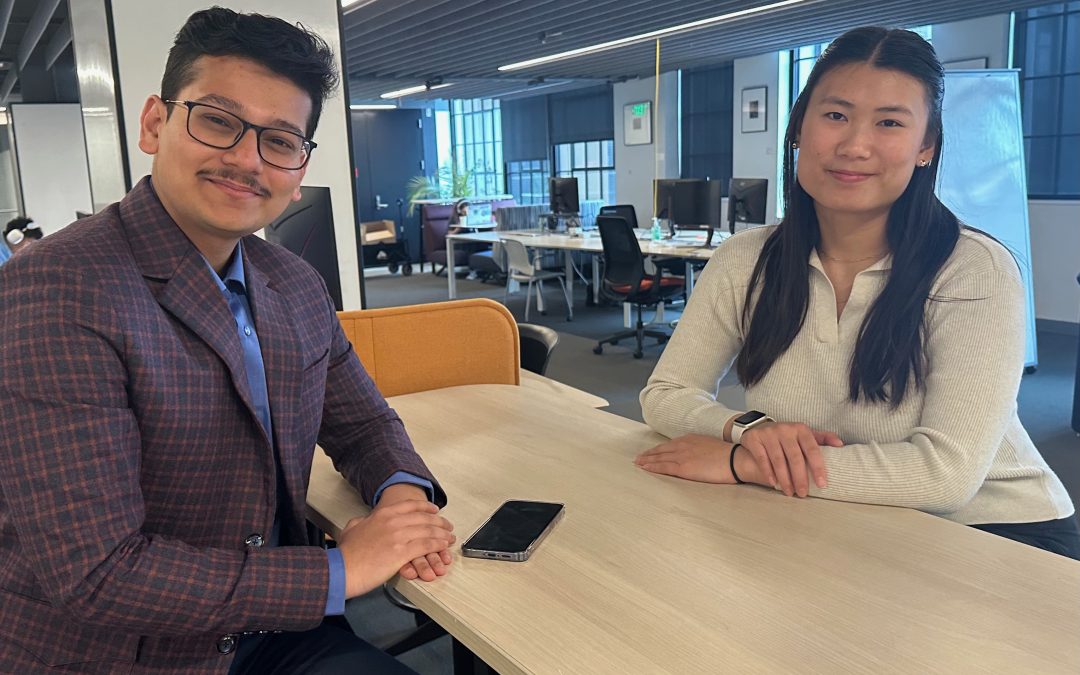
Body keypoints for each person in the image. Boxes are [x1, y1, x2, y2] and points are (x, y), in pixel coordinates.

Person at [0, 8, 455, 673]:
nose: (246, 160)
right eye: (218, 121)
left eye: (280, 140)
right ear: (155, 123)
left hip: (273, 632)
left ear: (300, 165)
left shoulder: (293, 283)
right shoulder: (56, 290)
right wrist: (340, 568)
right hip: (125, 653)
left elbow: (364, 424)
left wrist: (402, 502)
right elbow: (96, 573)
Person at [636, 26, 1078, 560]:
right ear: (798, 128)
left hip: (995, 531)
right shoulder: (745, 260)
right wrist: (747, 427)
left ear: (925, 148)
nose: (854, 145)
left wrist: (742, 463)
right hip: (835, 509)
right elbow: (665, 394)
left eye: (890, 122)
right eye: (835, 115)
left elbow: (945, 476)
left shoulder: (972, 269)